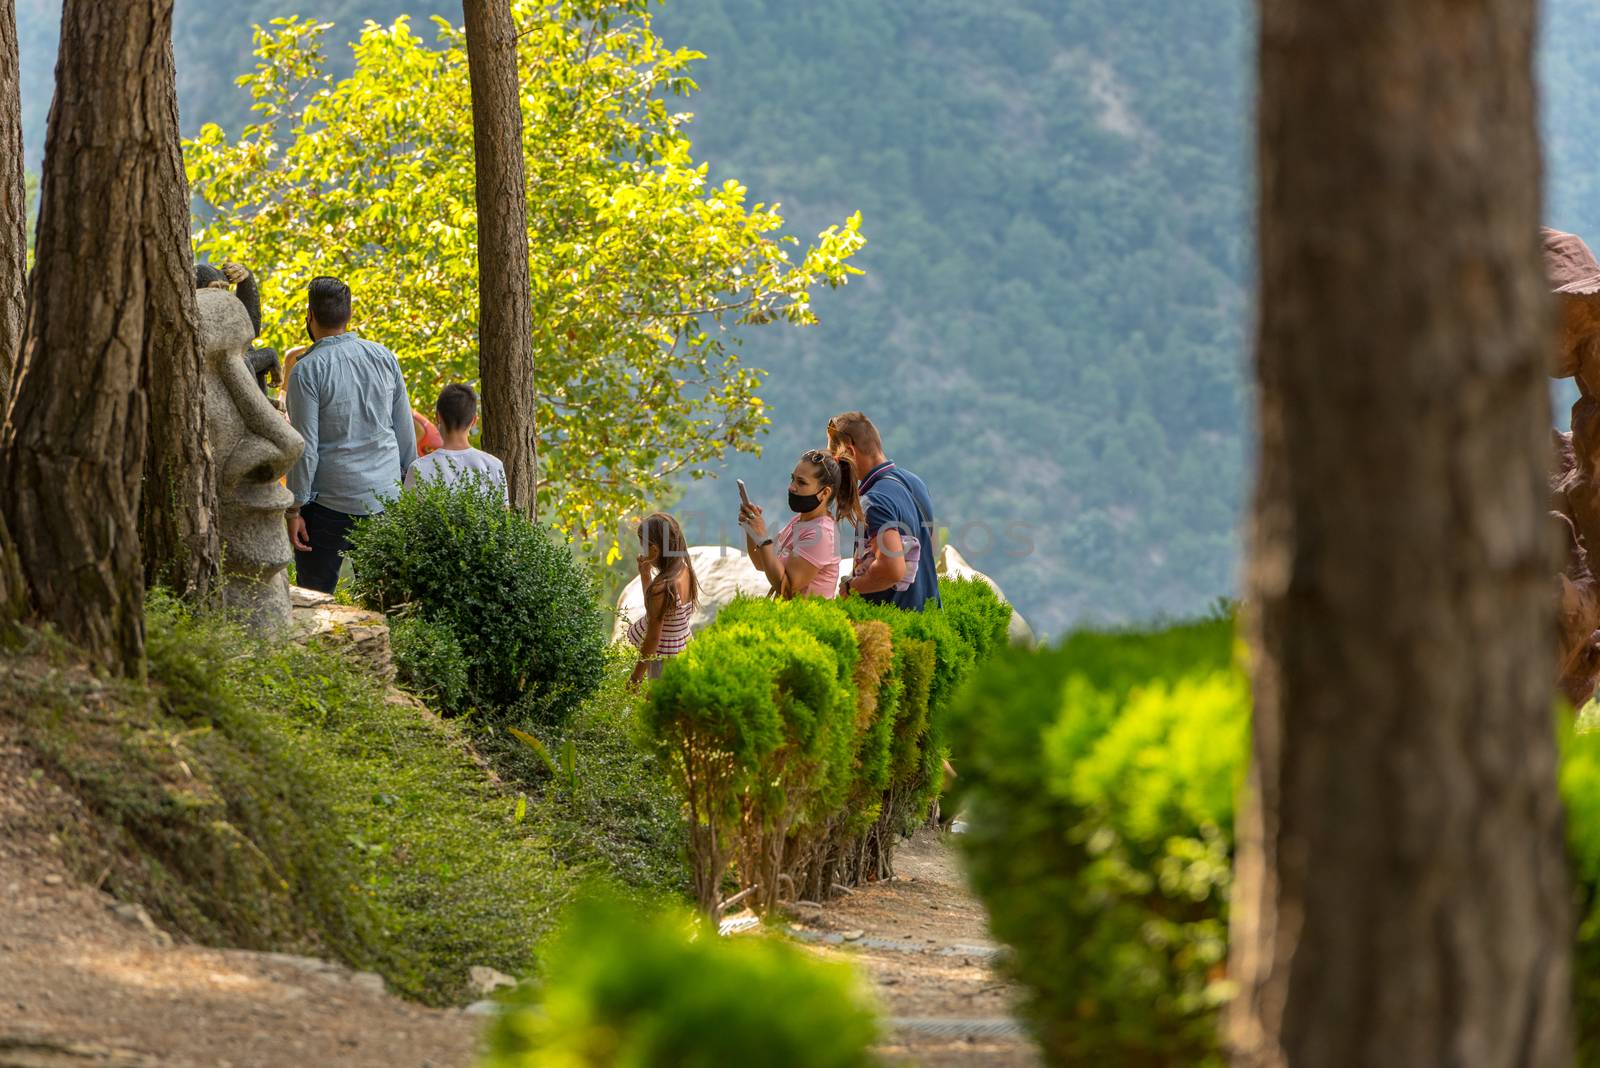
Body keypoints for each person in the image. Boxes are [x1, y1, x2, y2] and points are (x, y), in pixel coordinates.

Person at [284, 276, 417, 593]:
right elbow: (404, 430)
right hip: (384, 498)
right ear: (349, 315)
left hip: (328, 503)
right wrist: (405, 490)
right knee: (388, 599)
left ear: (310, 316)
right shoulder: (384, 357)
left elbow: (306, 448)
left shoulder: (307, 369)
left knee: (315, 598)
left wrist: (294, 508)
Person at [827, 411, 941, 611]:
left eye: (837, 460)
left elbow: (891, 570)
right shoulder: (914, 482)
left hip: (896, 627)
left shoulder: (875, 501)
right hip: (927, 615)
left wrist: (849, 587)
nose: (837, 469)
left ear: (850, 452)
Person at [739, 449, 861, 599]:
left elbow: (786, 588)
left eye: (801, 482)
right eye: (793, 479)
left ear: (825, 493)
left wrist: (763, 537)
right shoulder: (799, 520)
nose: (792, 487)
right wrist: (751, 529)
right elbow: (761, 563)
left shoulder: (822, 533)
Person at [627, 513, 698, 686]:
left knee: (658, 707)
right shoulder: (684, 570)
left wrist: (636, 677)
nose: (643, 551)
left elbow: (652, 638)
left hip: (664, 666)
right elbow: (654, 611)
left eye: (644, 546)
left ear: (655, 549)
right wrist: (645, 576)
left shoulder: (663, 587)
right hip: (683, 654)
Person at [403, 383, 507, 502]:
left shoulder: (418, 468)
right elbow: (502, 517)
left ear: (438, 417)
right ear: (474, 421)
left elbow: (408, 517)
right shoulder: (493, 465)